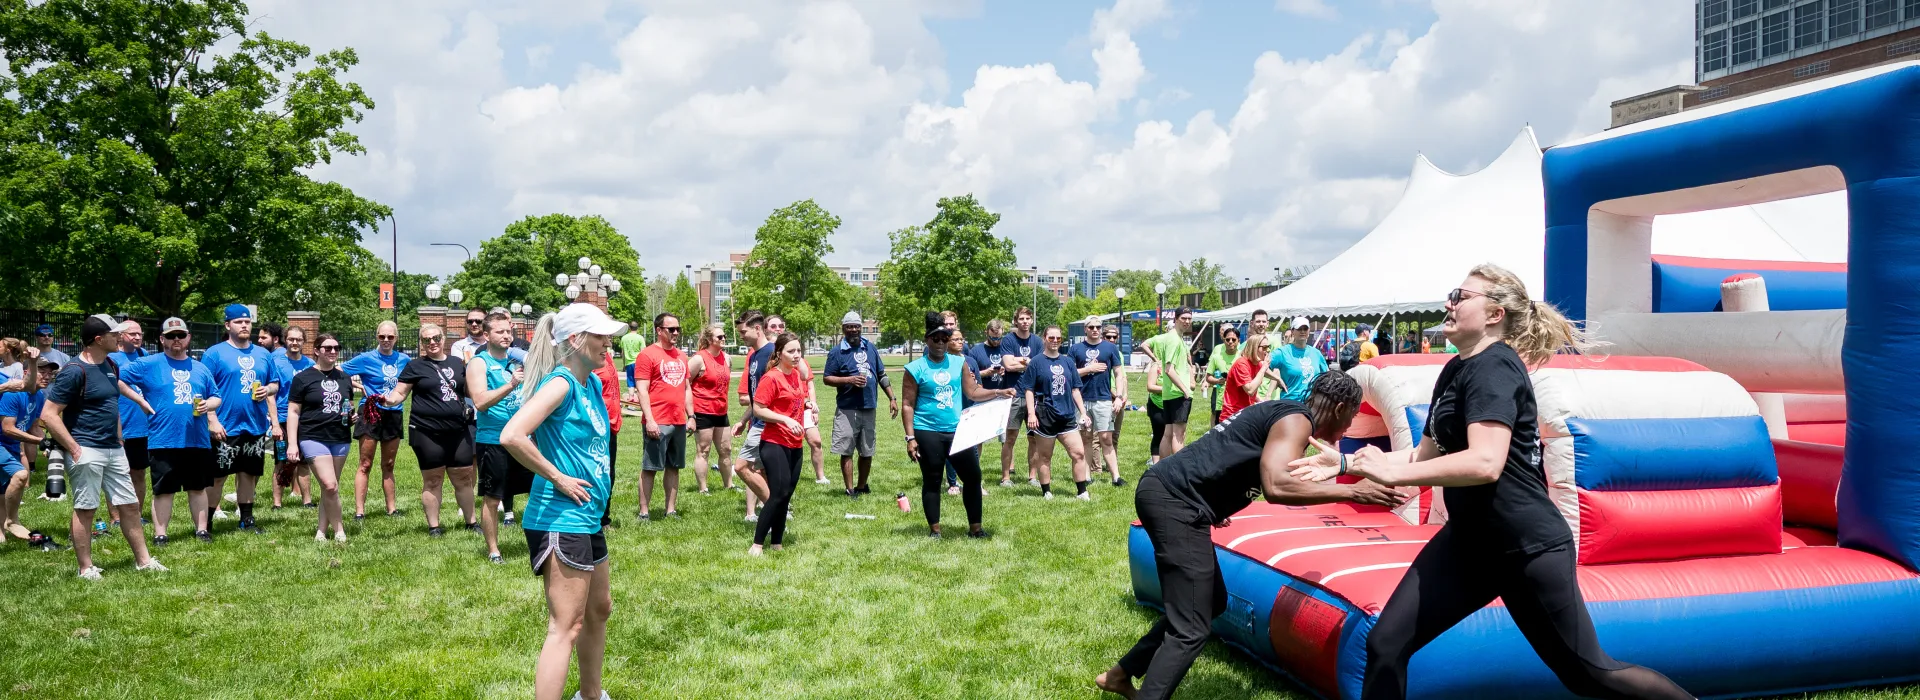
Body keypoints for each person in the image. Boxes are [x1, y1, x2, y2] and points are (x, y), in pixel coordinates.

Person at [1287, 265, 1692, 700]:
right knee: (1387, 642)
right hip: (1470, 544)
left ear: (1495, 312)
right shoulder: (1455, 370)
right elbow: (1425, 456)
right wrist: (1348, 462)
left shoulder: (1495, 368)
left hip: (1527, 547)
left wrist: (1392, 472)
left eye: (1460, 295)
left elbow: (1485, 462)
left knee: (1591, 674)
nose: (1449, 302)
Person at [1095, 370, 1406, 700]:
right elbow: (1275, 486)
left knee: (1211, 602)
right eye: (1351, 418)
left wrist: (1217, 502)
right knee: (1191, 629)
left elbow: (1230, 455)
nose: (1348, 428)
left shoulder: (1288, 414)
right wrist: (1353, 493)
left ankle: (1119, 675)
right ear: (1340, 407)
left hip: (1177, 499)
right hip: (1176, 502)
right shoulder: (1295, 421)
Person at [499, 304, 624, 700]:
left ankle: (591, 695)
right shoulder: (562, 383)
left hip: (587, 516)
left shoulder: (590, 383)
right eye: (601, 335)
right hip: (559, 516)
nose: (609, 343)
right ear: (575, 340)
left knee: (599, 608)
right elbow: (513, 434)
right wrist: (557, 476)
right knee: (565, 626)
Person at [41, 314, 165, 579]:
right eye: (114, 334)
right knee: (86, 509)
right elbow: (49, 414)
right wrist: (74, 449)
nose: (119, 337)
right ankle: (86, 568)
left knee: (130, 505)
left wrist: (137, 402)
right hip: (86, 449)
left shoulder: (109, 363)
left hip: (114, 448)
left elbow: (114, 385)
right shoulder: (74, 371)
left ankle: (144, 561)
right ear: (98, 339)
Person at [902, 312, 1013, 538]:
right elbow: (907, 405)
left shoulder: (959, 362)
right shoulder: (915, 368)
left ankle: (975, 528)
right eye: (936, 339)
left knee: (972, 477)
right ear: (927, 340)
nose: (941, 343)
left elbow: (973, 391)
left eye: (945, 338)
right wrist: (910, 438)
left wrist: (998, 392)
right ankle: (935, 530)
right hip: (927, 430)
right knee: (932, 480)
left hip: (957, 430)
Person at [122, 318, 219, 545]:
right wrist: (139, 400)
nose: (177, 339)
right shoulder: (149, 364)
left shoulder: (200, 367)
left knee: (198, 487)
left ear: (188, 338)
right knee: (164, 489)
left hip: (197, 439)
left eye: (181, 335)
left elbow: (216, 396)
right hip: (163, 438)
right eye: (171, 336)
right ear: (162, 339)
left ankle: (202, 531)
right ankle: (160, 534)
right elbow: (116, 377)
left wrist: (209, 405)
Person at [383, 324, 476, 536]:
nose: (432, 343)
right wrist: (389, 401)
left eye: (435, 338)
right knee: (433, 479)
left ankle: (471, 523)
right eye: (426, 340)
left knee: (464, 477)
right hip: (427, 431)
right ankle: (434, 526)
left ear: (443, 339)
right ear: (422, 343)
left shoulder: (458, 363)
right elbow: (400, 393)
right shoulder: (416, 366)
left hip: (458, 430)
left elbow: (471, 392)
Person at [202, 305, 280, 534]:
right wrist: (212, 420)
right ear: (228, 325)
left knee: (248, 473)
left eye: (247, 322)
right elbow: (203, 390)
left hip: (254, 424)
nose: (244, 325)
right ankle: (205, 523)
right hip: (225, 426)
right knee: (218, 476)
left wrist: (267, 389)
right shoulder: (214, 353)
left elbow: (275, 383)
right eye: (238, 322)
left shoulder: (263, 354)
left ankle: (246, 519)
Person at [468, 314, 532, 562]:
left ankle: (540, 540)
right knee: (493, 498)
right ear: (486, 336)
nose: (506, 336)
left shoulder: (516, 361)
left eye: (508, 332)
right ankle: (494, 550)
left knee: (540, 488)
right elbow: (480, 402)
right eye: (499, 332)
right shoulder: (479, 363)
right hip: (494, 440)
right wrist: (511, 385)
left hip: (522, 438)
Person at [287, 333, 354, 544]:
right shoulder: (303, 378)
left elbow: (348, 405)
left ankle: (321, 532)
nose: (333, 351)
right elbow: (293, 412)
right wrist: (291, 443)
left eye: (336, 347)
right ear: (316, 350)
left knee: (329, 487)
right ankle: (340, 531)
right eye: (327, 348)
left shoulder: (344, 378)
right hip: (312, 435)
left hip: (340, 436)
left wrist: (352, 415)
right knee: (330, 484)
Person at [822, 311, 898, 498]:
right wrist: (849, 380)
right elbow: (827, 378)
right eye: (850, 326)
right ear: (844, 329)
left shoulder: (869, 348)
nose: (854, 330)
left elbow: (881, 375)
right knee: (846, 449)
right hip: (847, 408)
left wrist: (892, 398)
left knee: (866, 449)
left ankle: (862, 486)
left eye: (857, 326)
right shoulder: (836, 352)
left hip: (869, 406)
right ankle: (849, 489)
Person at [748, 332, 809, 556]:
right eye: (791, 351)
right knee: (778, 493)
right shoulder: (772, 378)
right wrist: (785, 419)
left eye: (799, 351)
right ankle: (756, 544)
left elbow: (795, 400)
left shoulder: (794, 376)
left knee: (786, 495)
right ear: (779, 353)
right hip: (774, 441)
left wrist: (809, 405)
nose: (796, 355)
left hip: (795, 442)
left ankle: (777, 543)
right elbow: (758, 408)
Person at [343, 320, 409, 519]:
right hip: (370, 412)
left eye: (390, 337)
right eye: (382, 336)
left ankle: (392, 508)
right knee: (365, 463)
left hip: (394, 412)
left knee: (389, 463)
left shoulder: (404, 360)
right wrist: (356, 385)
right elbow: (338, 372)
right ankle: (360, 512)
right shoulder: (365, 358)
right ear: (377, 337)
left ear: (396, 338)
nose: (386, 340)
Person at [633, 312, 692, 519]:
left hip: (678, 420)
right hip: (657, 420)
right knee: (650, 468)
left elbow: (686, 388)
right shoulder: (647, 355)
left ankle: (670, 510)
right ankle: (644, 512)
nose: (676, 333)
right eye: (671, 329)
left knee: (674, 467)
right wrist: (649, 420)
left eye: (678, 329)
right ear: (659, 331)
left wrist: (691, 415)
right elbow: (642, 389)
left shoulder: (682, 356)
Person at [1023, 325, 1092, 501]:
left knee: (1078, 453)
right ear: (1044, 338)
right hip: (1045, 414)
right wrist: (1031, 413)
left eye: (1058, 338)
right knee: (1045, 456)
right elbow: (1029, 390)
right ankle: (1046, 491)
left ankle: (1082, 491)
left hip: (1067, 414)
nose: (1055, 341)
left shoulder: (1068, 361)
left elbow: (1075, 389)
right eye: (1051, 338)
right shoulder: (1036, 362)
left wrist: (1083, 413)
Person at [764, 315, 829, 486]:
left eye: (781, 325)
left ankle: (820, 476)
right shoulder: (773, 370)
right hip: (782, 419)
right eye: (773, 326)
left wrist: (812, 405)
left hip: (802, 406)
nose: (778, 329)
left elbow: (809, 383)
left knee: (815, 441)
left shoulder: (799, 364)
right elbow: (760, 405)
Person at [0, 358, 54, 542]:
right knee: (21, 475)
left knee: (2, 491)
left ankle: (1, 533)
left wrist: (48, 443)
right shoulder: (13, 394)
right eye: (42, 372)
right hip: (1, 442)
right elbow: (8, 428)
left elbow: (33, 426)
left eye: (50, 373)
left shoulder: (39, 396)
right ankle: (12, 520)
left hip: (11, 445)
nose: (47, 377)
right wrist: (40, 441)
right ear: (26, 373)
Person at [731, 310, 774, 523]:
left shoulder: (771, 353)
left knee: (741, 467)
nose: (741, 336)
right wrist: (743, 420)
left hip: (768, 423)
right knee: (760, 469)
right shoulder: (755, 355)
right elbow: (756, 397)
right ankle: (772, 510)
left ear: (757, 329)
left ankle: (776, 510)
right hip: (756, 421)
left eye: (743, 331)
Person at [1071, 316, 1124, 487]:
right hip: (1082, 400)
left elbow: (1118, 374)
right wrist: (1088, 369)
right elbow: (1069, 374)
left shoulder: (1110, 348)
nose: (1095, 329)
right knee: (1085, 438)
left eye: (1098, 327)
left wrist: (1119, 397)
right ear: (1085, 329)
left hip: (1103, 400)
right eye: (1091, 327)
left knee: (1106, 437)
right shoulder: (1076, 349)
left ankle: (1116, 477)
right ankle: (1086, 476)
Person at [964, 319, 1017, 486]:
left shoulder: (1006, 348)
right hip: (983, 397)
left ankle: (1008, 470)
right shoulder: (977, 350)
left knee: (1006, 437)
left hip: (1003, 397)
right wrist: (985, 373)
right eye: (993, 338)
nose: (996, 341)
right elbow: (970, 373)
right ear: (986, 333)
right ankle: (974, 467)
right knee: (978, 438)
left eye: (999, 338)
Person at [109, 320, 151, 528]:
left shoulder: (144, 356)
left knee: (139, 472)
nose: (136, 337)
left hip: (142, 427)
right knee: (116, 474)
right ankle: (116, 517)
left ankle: (137, 515)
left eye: (139, 334)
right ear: (119, 336)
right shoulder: (110, 358)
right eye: (132, 334)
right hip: (118, 426)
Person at [1140, 308, 1196, 459]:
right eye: (1183, 318)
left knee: (1168, 434)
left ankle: (1163, 469)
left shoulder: (1173, 337)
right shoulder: (1173, 339)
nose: (1187, 321)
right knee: (1179, 435)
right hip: (1177, 393)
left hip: (1169, 393)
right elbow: (1169, 370)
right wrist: (1185, 390)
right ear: (1176, 319)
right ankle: (1177, 472)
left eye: (1189, 318)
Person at [271, 325, 316, 509]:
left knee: (304, 461)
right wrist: (274, 423)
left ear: (304, 342)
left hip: (305, 419)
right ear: (285, 340)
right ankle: (277, 503)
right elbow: (270, 395)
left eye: (298, 339)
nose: (295, 343)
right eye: (291, 339)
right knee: (282, 460)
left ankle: (307, 501)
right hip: (283, 417)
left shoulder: (310, 365)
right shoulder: (276, 363)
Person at [999, 308, 1044, 487]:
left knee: (1034, 437)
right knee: (1010, 437)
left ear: (1032, 321)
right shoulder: (1009, 340)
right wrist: (1029, 362)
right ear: (1016, 321)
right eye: (1021, 319)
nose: (1025, 321)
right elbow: (1008, 365)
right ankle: (1006, 478)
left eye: (1028, 318)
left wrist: (1022, 361)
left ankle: (1032, 476)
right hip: (1014, 395)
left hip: (1034, 395)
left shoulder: (1038, 341)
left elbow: (1040, 366)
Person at [687, 323, 734, 495]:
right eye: (719, 337)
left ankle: (729, 485)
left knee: (726, 449)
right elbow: (686, 384)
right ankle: (703, 488)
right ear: (709, 340)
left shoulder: (727, 358)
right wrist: (690, 413)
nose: (723, 339)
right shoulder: (699, 359)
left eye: (724, 336)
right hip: (703, 410)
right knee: (704, 450)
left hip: (721, 411)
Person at [1270, 316, 1329, 402]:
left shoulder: (1316, 353)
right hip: (1290, 404)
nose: (1302, 331)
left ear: (1309, 331)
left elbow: (1327, 376)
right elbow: (1262, 366)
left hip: (1311, 405)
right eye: (1299, 329)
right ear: (1293, 331)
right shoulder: (1283, 352)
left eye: (1305, 329)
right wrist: (1277, 378)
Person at [1220, 331, 1269, 424]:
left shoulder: (1257, 364)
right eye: (1265, 347)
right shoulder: (1242, 364)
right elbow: (1250, 390)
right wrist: (1263, 368)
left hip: (1245, 415)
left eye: (1268, 347)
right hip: (1232, 417)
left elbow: (1252, 393)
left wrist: (1261, 401)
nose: (1268, 350)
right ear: (1255, 348)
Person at [1205, 325, 1239, 425]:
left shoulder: (1243, 356)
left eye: (1233, 339)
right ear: (1224, 340)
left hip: (1238, 402)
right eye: (1228, 339)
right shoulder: (1216, 357)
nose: (1230, 342)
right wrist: (1217, 381)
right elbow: (1208, 377)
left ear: (1238, 340)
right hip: (1221, 402)